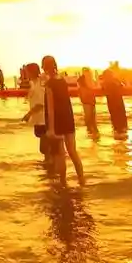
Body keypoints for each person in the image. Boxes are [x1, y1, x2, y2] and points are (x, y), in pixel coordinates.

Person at [42, 55, 85, 186]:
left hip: (57, 121)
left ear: (44, 67)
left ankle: (63, 182)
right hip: (68, 117)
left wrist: (51, 129)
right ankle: (82, 179)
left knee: (61, 154)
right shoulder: (62, 80)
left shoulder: (49, 84)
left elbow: (50, 108)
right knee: (72, 151)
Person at [101, 68, 128, 135]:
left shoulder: (105, 83)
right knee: (122, 118)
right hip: (118, 101)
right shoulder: (115, 81)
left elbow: (103, 89)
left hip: (111, 103)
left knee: (114, 118)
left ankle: (117, 131)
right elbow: (122, 86)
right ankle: (122, 132)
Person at [77, 68, 99, 136]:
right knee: (89, 116)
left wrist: (96, 77)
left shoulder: (86, 79)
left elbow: (94, 86)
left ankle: (91, 131)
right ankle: (91, 131)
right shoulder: (82, 79)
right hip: (87, 99)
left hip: (89, 99)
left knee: (91, 116)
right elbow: (80, 89)